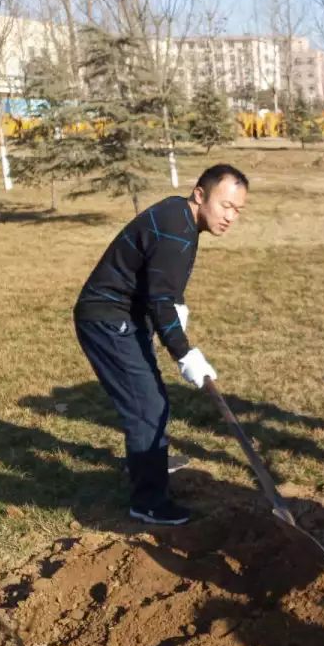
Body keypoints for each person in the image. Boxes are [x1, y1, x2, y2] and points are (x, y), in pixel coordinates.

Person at [74, 164, 249, 525]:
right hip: (107, 318)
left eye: (238, 210)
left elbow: (161, 284)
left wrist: (175, 309)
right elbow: (161, 300)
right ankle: (148, 501)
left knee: (151, 398)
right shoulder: (177, 230)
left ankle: (148, 462)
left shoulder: (179, 217)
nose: (230, 217)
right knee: (147, 406)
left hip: (126, 314)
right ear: (199, 195)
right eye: (225, 205)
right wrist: (185, 353)